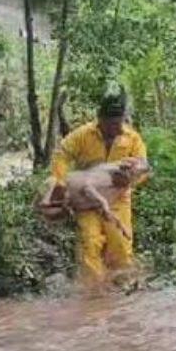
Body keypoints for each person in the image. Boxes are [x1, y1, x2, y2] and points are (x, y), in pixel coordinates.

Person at [45, 90, 148, 285]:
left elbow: (144, 166)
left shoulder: (132, 138)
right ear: (100, 119)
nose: (115, 128)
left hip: (118, 199)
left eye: (119, 123)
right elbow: (62, 154)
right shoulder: (83, 135)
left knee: (120, 245)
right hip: (87, 199)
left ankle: (123, 289)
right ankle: (94, 293)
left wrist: (131, 178)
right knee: (90, 243)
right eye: (110, 123)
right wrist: (60, 183)